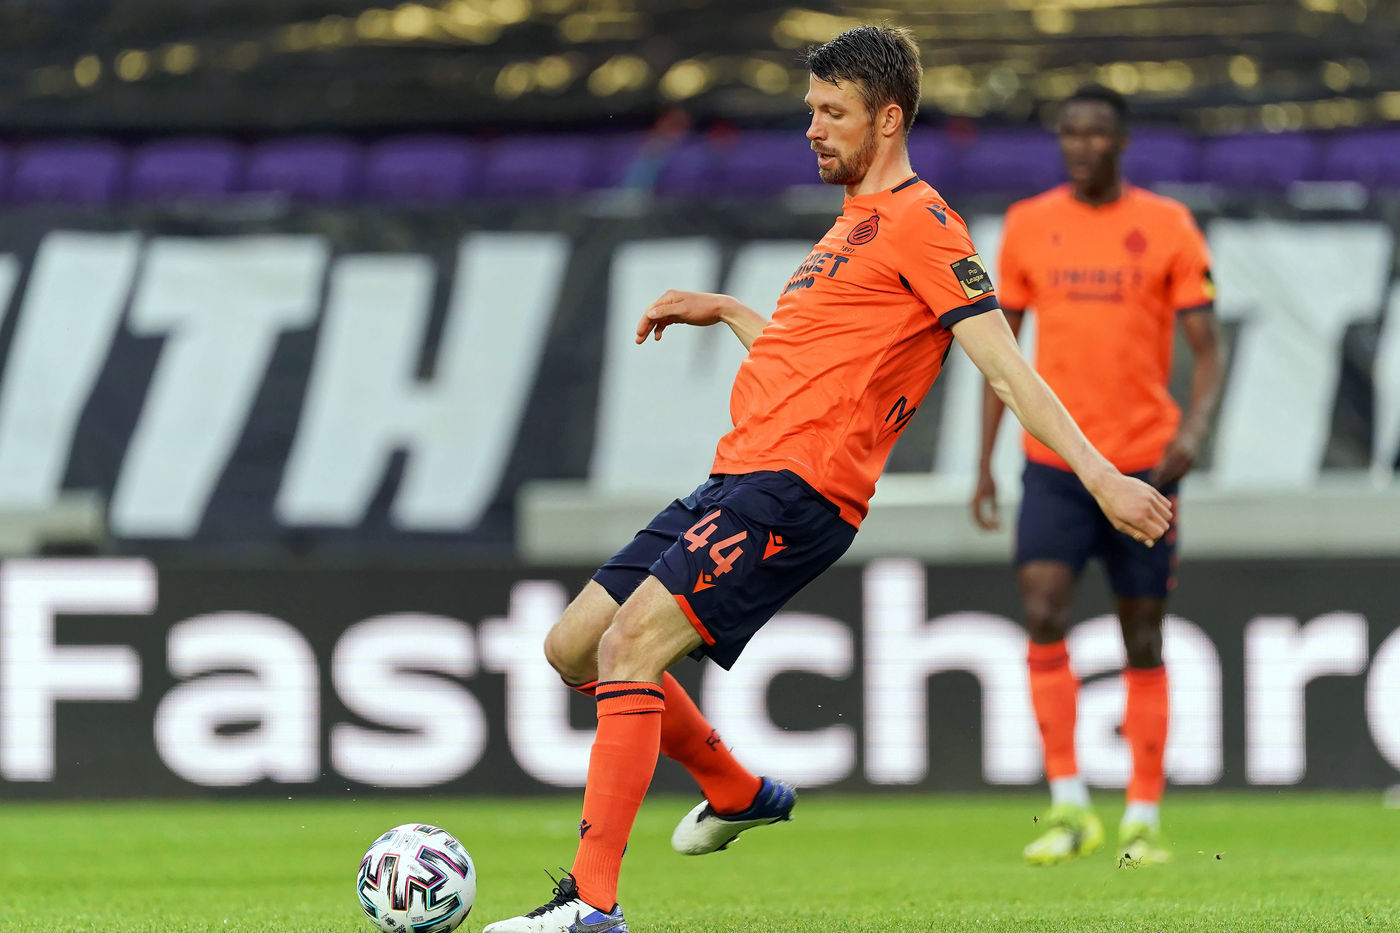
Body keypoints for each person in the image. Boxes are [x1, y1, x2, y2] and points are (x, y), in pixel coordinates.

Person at [484, 31, 1172, 933]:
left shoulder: (924, 224)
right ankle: (736, 790)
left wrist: (1102, 476)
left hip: (795, 491)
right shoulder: (851, 223)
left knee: (628, 649)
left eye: (830, 111)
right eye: (810, 109)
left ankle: (590, 905)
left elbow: (1009, 371)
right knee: (573, 646)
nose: (811, 127)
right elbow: (807, 363)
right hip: (735, 475)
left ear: (887, 120)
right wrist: (728, 310)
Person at [969, 85, 1223, 867]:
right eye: (1070, 133)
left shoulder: (1168, 225)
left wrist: (1192, 433)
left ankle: (1143, 814)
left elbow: (1209, 351)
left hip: (1144, 462)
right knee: (1043, 609)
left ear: (1121, 142)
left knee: (1142, 632)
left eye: (1096, 133)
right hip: (1054, 463)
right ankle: (1069, 804)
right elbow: (1001, 355)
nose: (1081, 145)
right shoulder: (1026, 225)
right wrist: (983, 462)